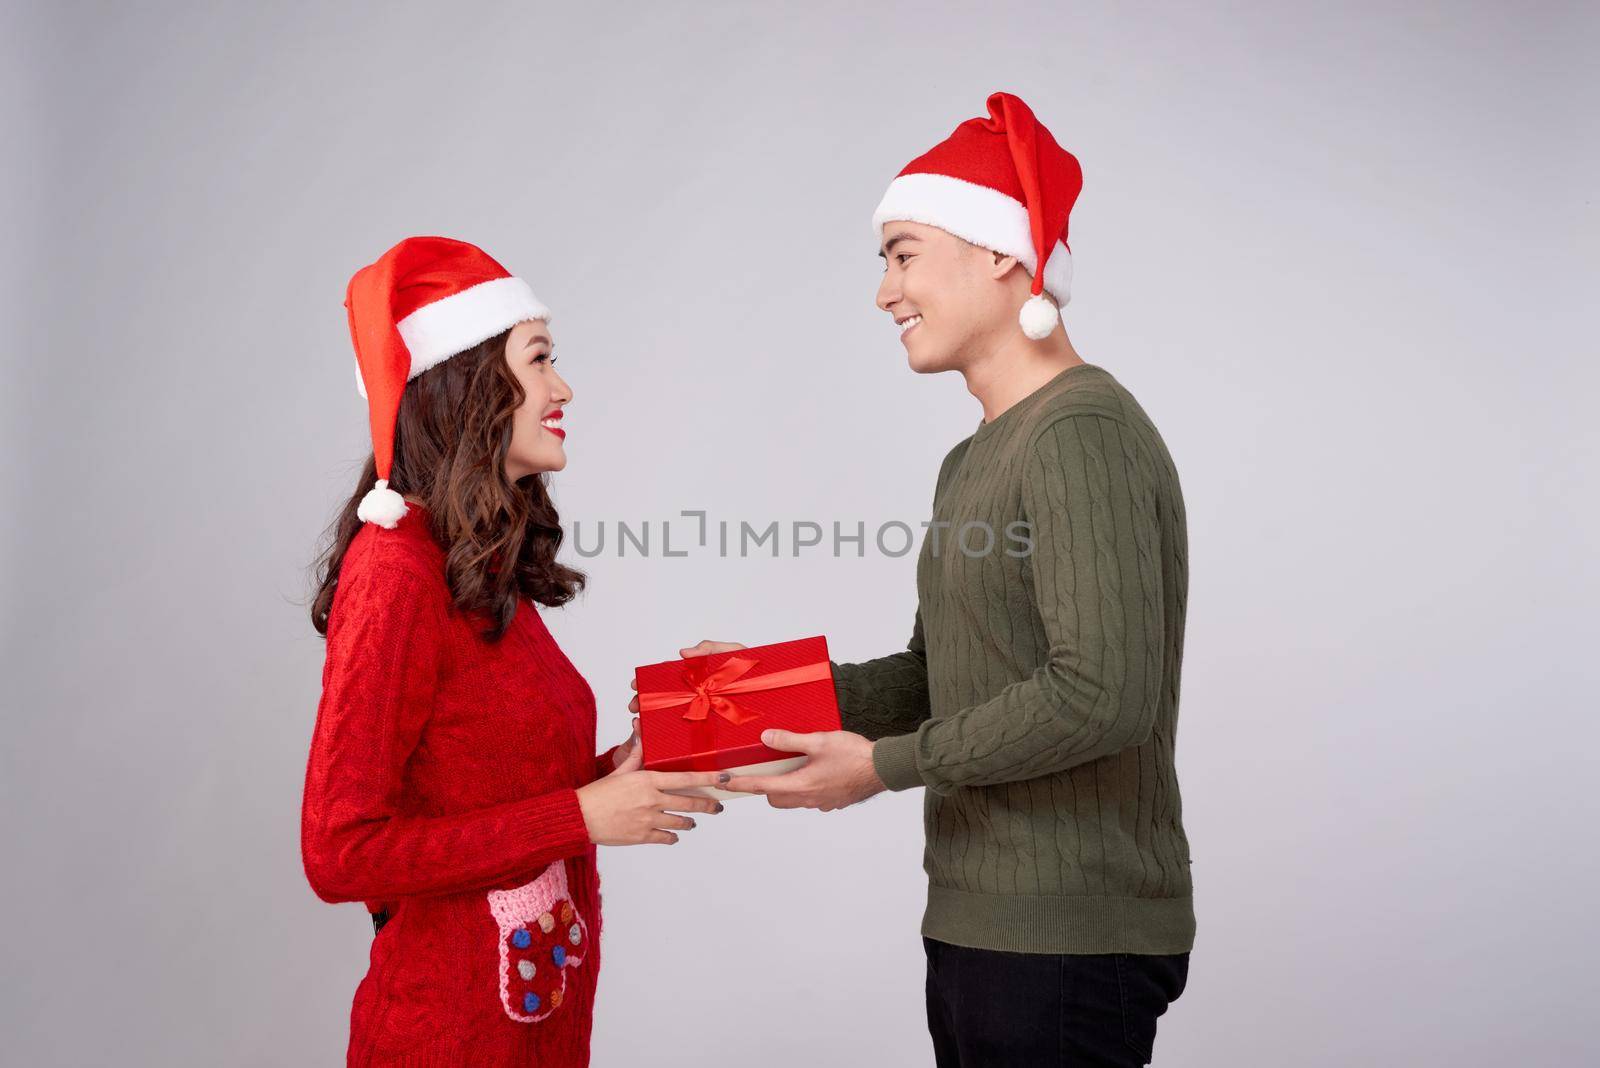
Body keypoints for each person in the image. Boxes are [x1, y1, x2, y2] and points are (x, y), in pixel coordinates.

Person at [657, 93, 1195, 1065]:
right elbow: (939, 672)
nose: (883, 291)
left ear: (999, 253)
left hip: (1066, 942)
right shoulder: (975, 457)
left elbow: (1100, 696)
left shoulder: (1081, 432)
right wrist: (769, 690)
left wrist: (882, 769)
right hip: (979, 926)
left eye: (902, 254)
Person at [301, 236, 729, 1067]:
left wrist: (621, 770)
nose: (562, 388)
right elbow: (338, 850)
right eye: (539, 361)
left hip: (533, 1030)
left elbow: (487, 785)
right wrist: (579, 816)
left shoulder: (477, 565)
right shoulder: (395, 571)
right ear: (468, 385)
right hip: (445, 1038)